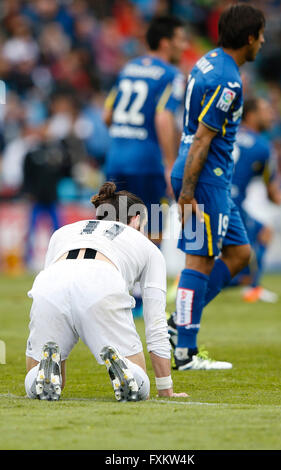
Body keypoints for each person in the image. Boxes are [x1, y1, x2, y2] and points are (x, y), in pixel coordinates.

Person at [24, 182, 187, 402]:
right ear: (136, 219)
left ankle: (43, 372)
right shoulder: (145, 245)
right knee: (141, 386)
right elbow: (156, 324)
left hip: (50, 283)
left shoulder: (62, 232)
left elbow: (55, 288)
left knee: (47, 383)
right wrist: (165, 388)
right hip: (101, 280)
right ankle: (127, 371)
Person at [168, 3, 266, 370]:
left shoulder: (208, 60)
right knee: (200, 258)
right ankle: (185, 352)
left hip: (209, 177)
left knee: (240, 254)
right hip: (205, 176)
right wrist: (188, 194)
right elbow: (202, 139)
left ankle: (179, 323)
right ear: (249, 38)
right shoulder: (228, 80)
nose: (263, 42)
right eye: (260, 35)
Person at [103, 15, 187, 245]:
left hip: (116, 160)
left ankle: (115, 281)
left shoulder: (128, 68)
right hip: (147, 164)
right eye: (180, 39)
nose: (184, 45)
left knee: (115, 232)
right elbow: (163, 117)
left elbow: (107, 115)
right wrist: (170, 164)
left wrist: (126, 133)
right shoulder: (172, 75)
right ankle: (149, 282)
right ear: (165, 42)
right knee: (153, 232)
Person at [230, 97, 281, 302]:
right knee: (260, 236)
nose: (271, 115)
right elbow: (272, 191)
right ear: (251, 115)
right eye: (266, 110)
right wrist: (279, 198)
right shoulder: (262, 146)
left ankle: (249, 284)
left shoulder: (226, 133)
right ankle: (251, 287)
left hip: (214, 195)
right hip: (232, 202)